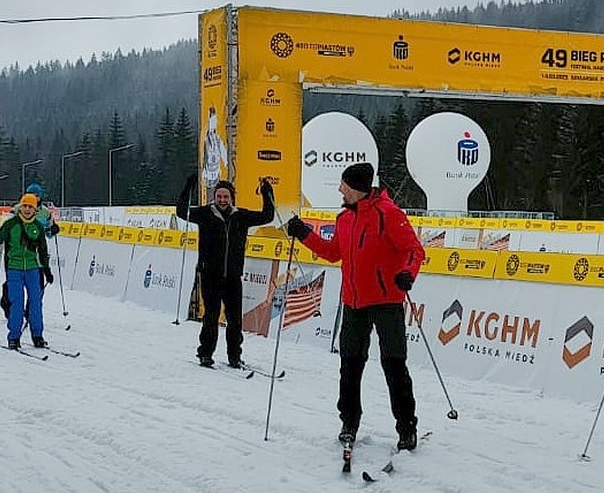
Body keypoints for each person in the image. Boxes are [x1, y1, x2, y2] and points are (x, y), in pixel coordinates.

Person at [284, 162, 425, 451]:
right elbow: (333, 252)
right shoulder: (344, 218)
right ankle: (349, 422)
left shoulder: (389, 214)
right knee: (350, 365)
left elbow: (414, 250)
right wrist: (304, 234)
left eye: (344, 185)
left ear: (358, 189)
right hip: (353, 303)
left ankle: (406, 427)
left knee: (394, 365)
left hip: (387, 302)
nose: (339, 189)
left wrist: (408, 273)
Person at [177, 173, 275, 368]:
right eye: (219, 197)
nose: (222, 200)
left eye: (226, 197)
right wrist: (190, 186)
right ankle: (205, 354)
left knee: (234, 321)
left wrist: (267, 191)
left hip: (233, 277)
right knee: (211, 317)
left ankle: (234, 357)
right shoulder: (205, 214)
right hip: (210, 275)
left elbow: (267, 215)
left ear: (232, 198)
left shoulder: (241, 216)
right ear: (215, 197)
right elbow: (181, 211)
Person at [0, 193, 55, 350]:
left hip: (33, 269)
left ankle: (37, 336)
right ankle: (14, 337)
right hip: (14, 269)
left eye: (30, 207)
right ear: (20, 207)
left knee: (35, 303)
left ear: (35, 210)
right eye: (24, 206)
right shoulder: (11, 225)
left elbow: (43, 250)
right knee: (16, 303)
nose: (27, 209)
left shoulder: (37, 227)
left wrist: (47, 270)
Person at [1, 183, 59, 318]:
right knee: (14, 286)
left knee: (37, 288)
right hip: (17, 256)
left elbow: (49, 233)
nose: (34, 198)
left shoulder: (45, 213)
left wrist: (53, 230)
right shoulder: (17, 209)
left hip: (37, 258)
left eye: (37, 196)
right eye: (31, 195)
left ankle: (30, 313)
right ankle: (8, 306)